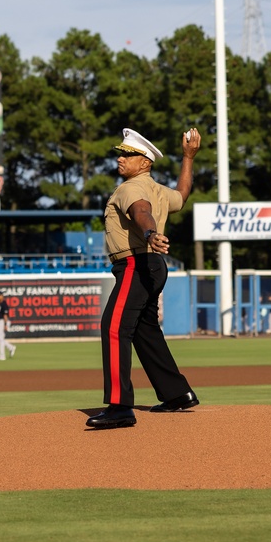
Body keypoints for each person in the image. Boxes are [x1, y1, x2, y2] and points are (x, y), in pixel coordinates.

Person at [86, 127, 202, 429]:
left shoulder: (131, 189)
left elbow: (141, 212)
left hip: (135, 264)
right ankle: (177, 393)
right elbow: (182, 196)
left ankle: (120, 406)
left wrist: (150, 233)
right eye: (122, 152)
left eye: (129, 154)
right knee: (144, 331)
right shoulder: (158, 189)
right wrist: (188, 158)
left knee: (113, 327)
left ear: (145, 162)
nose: (121, 158)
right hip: (152, 265)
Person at [0, 292, 17, 360]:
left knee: (0, 338)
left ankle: (2, 356)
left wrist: (5, 325)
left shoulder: (4, 304)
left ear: (1, 296)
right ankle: (10, 347)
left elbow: (5, 315)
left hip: (3, 322)